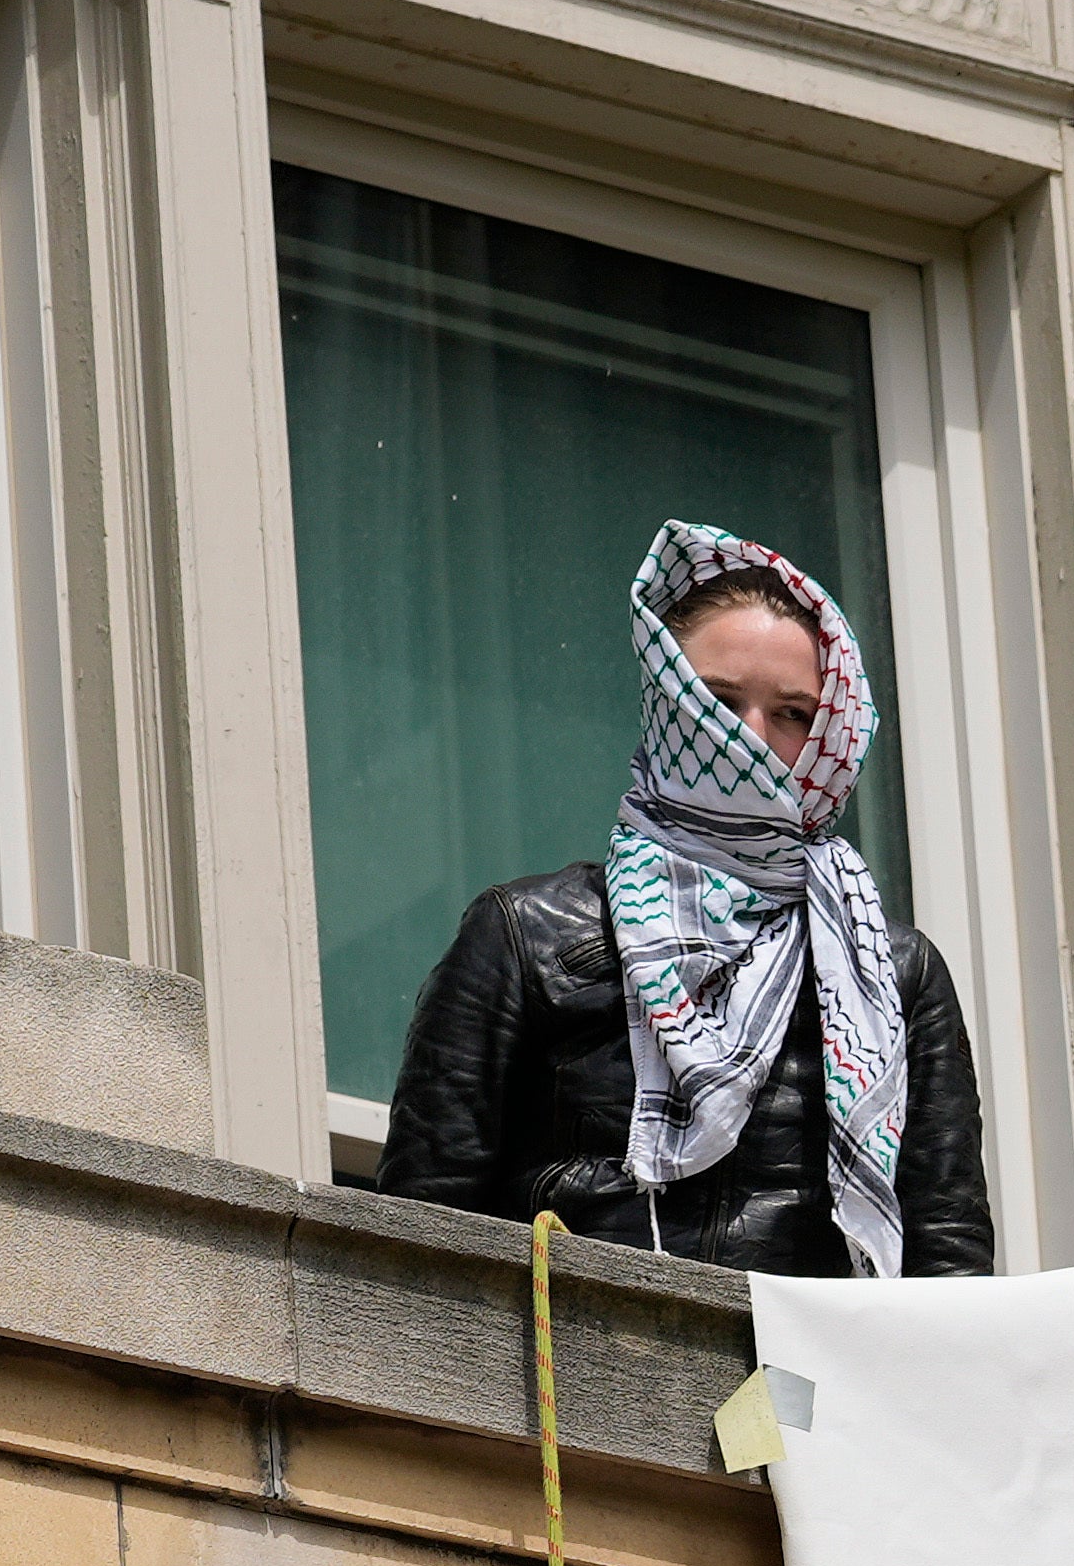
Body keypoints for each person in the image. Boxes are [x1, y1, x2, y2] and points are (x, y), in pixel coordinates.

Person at [375, 518, 993, 1274]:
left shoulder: (894, 972)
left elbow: (947, 1257)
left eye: (792, 714)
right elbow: (419, 1235)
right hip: (568, 1372)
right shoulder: (524, 933)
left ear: (831, 734)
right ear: (668, 706)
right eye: (719, 701)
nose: (750, 736)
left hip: (813, 1379)